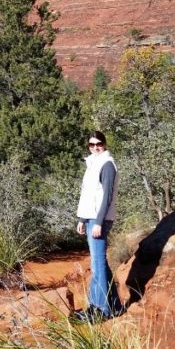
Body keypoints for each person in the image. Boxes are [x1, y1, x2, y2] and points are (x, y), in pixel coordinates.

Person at [74, 130, 122, 322]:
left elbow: (107, 197)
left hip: (99, 220)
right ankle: (115, 306)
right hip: (91, 218)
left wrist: (98, 222)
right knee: (101, 263)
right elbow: (89, 195)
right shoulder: (93, 163)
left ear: (105, 143)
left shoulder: (107, 164)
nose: (95, 147)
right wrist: (82, 219)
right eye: (91, 144)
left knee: (97, 264)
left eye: (98, 144)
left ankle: (99, 309)